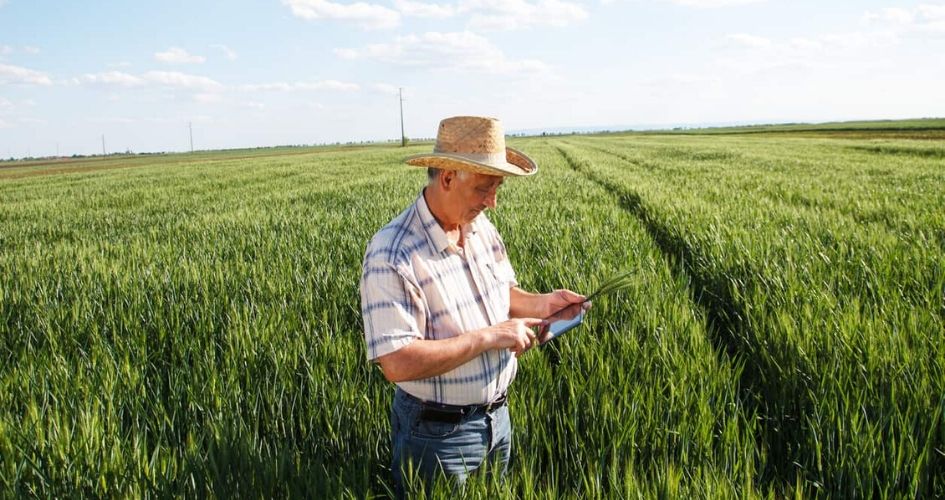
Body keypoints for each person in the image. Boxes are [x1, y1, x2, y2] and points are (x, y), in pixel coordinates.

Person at [359, 115, 588, 494]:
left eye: (497, 188)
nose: (493, 202)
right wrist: (489, 337)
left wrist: (547, 304)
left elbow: (504, 296)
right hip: (436, 437)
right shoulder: (393, 252)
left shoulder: (481, 229)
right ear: (448, 177)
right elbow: (397, 362)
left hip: (497, 420)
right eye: (485, 188)